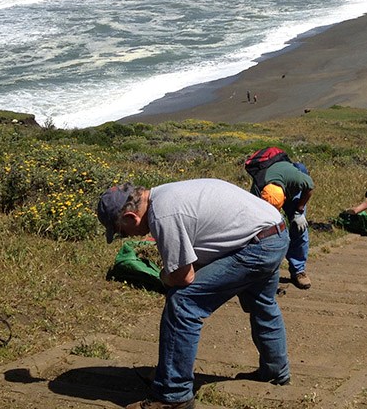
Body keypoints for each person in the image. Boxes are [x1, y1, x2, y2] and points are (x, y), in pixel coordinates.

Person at [96, 179, 290, 409]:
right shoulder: (165, 194)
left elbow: (182, 278)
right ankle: (275, 371)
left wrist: (163, 276)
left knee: (183, 303)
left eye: (121, 232)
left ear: (130, 218)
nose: (126, 237)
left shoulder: (163, 215)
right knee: (261, 303)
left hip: (256, 246)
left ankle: (173, 394)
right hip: (274, 233)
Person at [252, 160, 315, 290]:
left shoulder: (297, 179)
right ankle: (262, 271)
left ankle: (298, 271)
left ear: (284, 199)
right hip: (270, 191)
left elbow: (310, 187)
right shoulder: (257, 191)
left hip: (293, 186)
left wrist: (299, 211)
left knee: (299, 229)